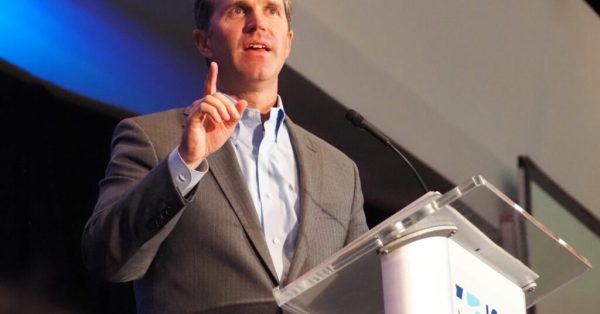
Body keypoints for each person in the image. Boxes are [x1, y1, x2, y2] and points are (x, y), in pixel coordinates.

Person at [82, 0, 368, 312]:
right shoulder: (153, 138)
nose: (257, 23)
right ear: (204, 42)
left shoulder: (341, 171)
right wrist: (185, 164)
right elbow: (106, 260)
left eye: (271, 9)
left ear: (287, 43)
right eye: (238, 10)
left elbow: (366, 286)